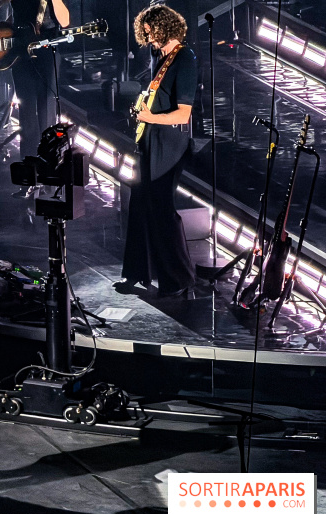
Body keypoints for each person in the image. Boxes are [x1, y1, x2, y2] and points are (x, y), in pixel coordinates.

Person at [115, 4, 197, 298]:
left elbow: (183, 114)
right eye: (146, 34)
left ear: (165, 29)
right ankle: (138, 272)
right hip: (149, 140)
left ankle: (179, 279)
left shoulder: (185, 59)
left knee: (162, 208)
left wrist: (151, 117)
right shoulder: (159, 58)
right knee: (138, 203)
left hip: (171, 145)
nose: (148, 40)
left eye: (151, 34)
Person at [0, 0, 70, 160]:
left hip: (46, 51)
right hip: (20, 53)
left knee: (46, 110)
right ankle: (29, 166)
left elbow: (65, 21)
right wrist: (1, 3)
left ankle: (48, 163)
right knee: (26, 114)